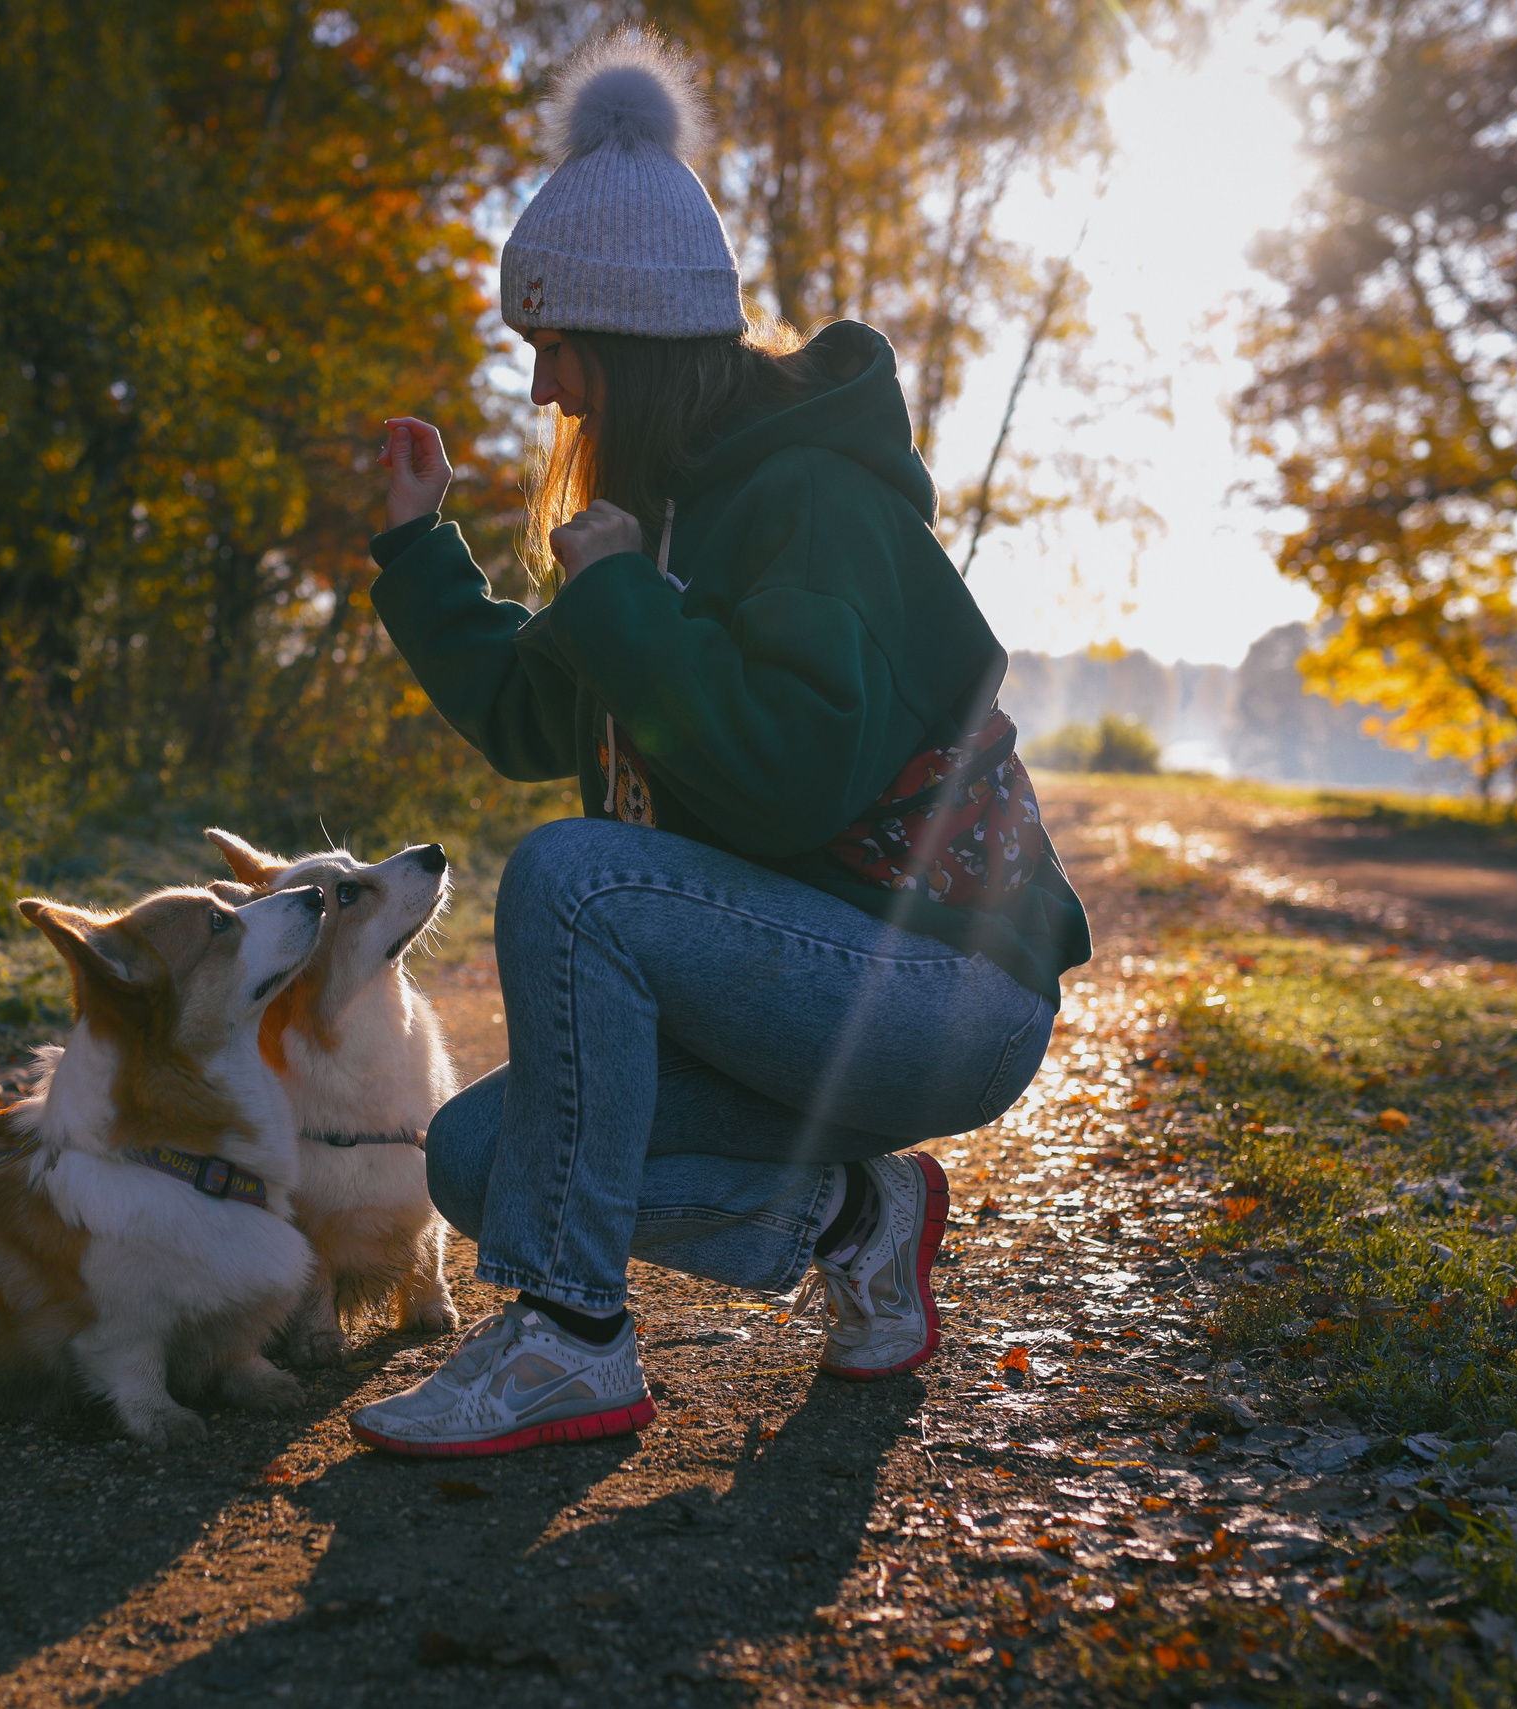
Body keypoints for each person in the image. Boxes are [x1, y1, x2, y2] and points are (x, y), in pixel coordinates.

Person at [348, 31, 1091, 1458]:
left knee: (575, 877)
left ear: (632, 343)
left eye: (557, 349)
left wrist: (624, 597)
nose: (543, 389)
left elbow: (790, 767)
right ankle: (861, 1213)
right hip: (800, 984)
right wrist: (418, 552)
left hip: (943, 989)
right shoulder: (660, 514)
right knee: (478, 1158)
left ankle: (570, 1340)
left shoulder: (814, 500)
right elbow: (528, 710)